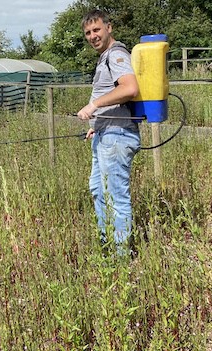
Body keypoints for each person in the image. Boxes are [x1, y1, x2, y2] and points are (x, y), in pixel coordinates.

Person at [77, 9, 140, 254]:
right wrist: (96, 127)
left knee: (115, 197)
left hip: (117, 135)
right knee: (99, 192)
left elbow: (129, 88)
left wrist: (94, 105)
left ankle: (121, 256)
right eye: (88, 33)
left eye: (96, 30)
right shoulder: (104, 57)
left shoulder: (116, 54)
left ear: (109, 28)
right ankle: (107, 247)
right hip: (106, 134)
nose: (92, 36)